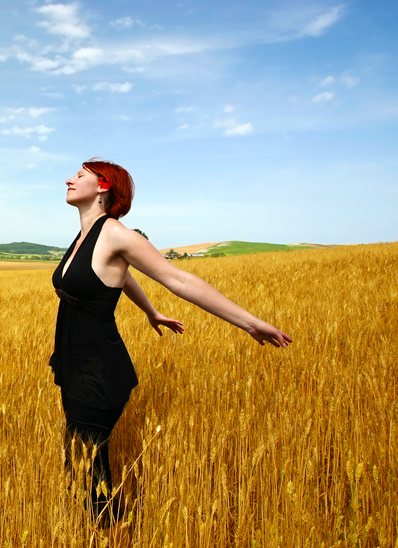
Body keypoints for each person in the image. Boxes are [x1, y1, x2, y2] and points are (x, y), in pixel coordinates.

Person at [51, 158, 291, 524]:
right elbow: (118, 276)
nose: (69, 179)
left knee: (88, 471)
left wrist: (248, 322)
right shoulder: (86, 236)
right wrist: (151, 312)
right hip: (74, 362)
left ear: (103, 186)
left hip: (97, 370)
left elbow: (179, 280)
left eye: (79, 175)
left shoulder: (117, 233)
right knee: (82, 464)